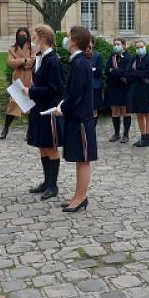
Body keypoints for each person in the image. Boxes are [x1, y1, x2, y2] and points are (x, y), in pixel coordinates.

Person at [56, 26, 98, 213]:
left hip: (81, 118)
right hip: (77, 117)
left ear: (74, 40)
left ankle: (81, 197)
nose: (65, 39)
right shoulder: (78, 61)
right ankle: (77, 195)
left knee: (83, 159)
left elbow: (76, 94)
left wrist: (62, 108)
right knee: (79, 159)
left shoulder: (80, 63)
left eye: (67, 36)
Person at [23, 24, 64, 200]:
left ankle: (53, 185)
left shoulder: (53, 60)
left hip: (49, 109)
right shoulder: (40, 58)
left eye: (34, 37)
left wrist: (31, 92)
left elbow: (55, 88)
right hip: (38, 107)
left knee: (51, 146)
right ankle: (46, 182)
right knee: (42, 145)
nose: (32, 40)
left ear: (42, 38)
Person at [1, 27, 35, 140]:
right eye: (20, 35)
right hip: (17, 79)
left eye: (24, 35)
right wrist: (24, 60)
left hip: (29, 78)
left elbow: (33, 61)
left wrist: (22, 62)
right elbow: (10, 62)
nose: (22, 37)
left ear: (27, 36)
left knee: (30, 104)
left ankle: (30, 131)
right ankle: (5, 128)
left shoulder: (32, 48)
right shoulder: (12, 49)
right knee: (13, 103)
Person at [127, 40, 149, 148]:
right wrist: (140, 74)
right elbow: (128, 73)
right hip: (135, 89)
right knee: (139, 113)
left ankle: (147, 138)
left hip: (146, 89)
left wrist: (136, 74)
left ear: (145, 46)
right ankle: (142, 136)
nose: (139, 49)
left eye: (141, 47)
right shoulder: (134, 58)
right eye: (137, 47)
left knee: (148, 114)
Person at [105, 37, 132, 143]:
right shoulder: (112, 57)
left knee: (125, 111)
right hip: (113, 87)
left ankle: (126, 135)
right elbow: (107, 71)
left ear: (124, 45)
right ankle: (116, 134)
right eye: (115, 44)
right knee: (115, 110)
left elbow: (126, 72)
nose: (116, 46)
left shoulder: (129, 57)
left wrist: (114, 70)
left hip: (124, 88)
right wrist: (115, 71)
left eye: (118, 44)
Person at [90, 42, 105, 122]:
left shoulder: (97, 55)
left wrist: (92, 70)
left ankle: (92, 129)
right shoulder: (81, 55)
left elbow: (99, 71)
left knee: (94, 109)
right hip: (84, 86)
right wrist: (92, 69)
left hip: (95, 86)